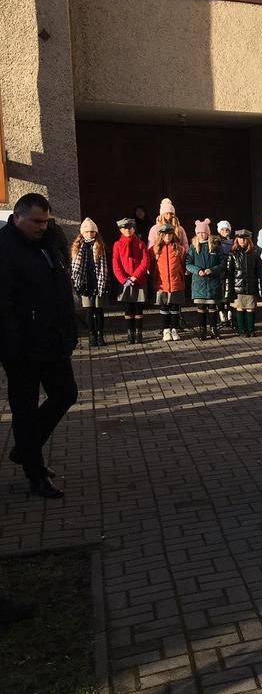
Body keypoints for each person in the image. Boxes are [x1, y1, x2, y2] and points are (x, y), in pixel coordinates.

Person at [0, 193, 79, 498]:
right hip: (20, 345)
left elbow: (61, 287)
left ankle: (24, 448)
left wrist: (69, 330)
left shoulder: (50, 241)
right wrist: (10, 345)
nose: (41, 227)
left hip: (53, 339)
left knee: (65, 394)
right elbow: (2, 305)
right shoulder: (5, 248)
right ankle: (35, 474)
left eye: (45, 221)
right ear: (17, 217)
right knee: (24, 408)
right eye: (36, 221)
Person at [69, 217, 110, 347]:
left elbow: (103, 266)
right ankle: (91, 334)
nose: (90, 234)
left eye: (92, 232)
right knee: (88, 310)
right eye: (87, 232)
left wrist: (103, 281)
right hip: (85, 282)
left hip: (98, 281)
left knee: (99, 310)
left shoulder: (100, 246)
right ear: (82, 233)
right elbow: (75, 266)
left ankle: (100, 335)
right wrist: (76, 281)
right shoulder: (78, 246)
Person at [112, 217, 151, 344]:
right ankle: (130, 333)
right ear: (120, 230)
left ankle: (139, 333)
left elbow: (145, 262)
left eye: (130, 228)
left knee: (138, 308)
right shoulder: (117, 245)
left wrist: (135, 276)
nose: (127, 230)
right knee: (128, 308)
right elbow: (116, 263)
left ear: (134, 229)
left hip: (138, 280)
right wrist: (123, 279)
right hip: (125, 281)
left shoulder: (140, 244)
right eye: (124, 228)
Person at [186, 219, 224, 340]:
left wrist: (212, 270)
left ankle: (214, 329)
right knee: (201, 307)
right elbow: (188, 264)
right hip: (199, 283)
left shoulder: (215, 246)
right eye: (199, 233)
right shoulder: (193, 247)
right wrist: (198, 271)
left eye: (204, 232)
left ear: (208, 233)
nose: (202, 235)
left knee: (212, 307)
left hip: (212, 282)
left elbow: (223, 263)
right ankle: (202, 330)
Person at [225, 229, 262, 337]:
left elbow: (259, 272)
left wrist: (261, 288)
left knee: (250, 307)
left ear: (248, 240)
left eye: (244, 239)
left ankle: (251, 329)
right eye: (240, 238)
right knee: (240, 307)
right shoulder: (232, 254)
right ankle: (242, 330)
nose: (242, 241)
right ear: (237, 240)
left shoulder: (254, 254)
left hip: (251, 286)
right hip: (238, 287)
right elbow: (229, 274)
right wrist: (228, 291)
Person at [151, 222, 185, 341]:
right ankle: (166, 330)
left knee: (175, 307)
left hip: (176, 282)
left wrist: (181, 275)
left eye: (170, 235)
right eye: (165, 235)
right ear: (160, 235)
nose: (167, 237)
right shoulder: (155, 249)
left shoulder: (179, 248)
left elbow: (183, 264)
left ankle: (174, 329)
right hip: (162, 283)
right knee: (164, 307)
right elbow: (152, 266)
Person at [216, 220, 234, 327]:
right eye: (223, 230)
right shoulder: (216, 242)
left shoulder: (233, 242)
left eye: (227, 230)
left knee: (229, 293)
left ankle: (230, 314)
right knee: (220, 293)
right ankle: (222, 314)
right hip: (220, 271)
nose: (225, 232)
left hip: (230, 270)